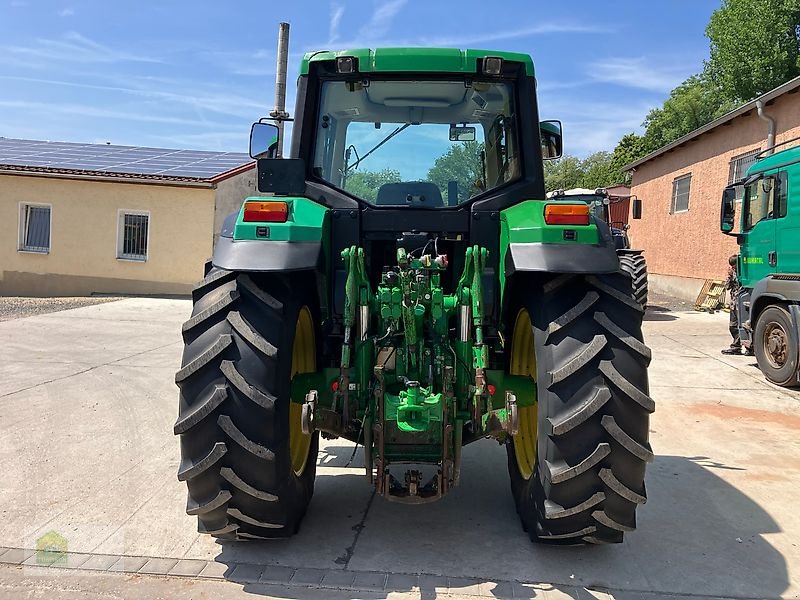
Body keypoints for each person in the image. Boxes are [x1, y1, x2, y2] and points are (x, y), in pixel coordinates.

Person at [722, 254, 747, 355]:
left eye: (734, 265)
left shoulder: (744, 273)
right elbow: (727, 287)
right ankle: (736, 346)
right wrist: (730, 276)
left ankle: (749, 348)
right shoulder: (733, 274)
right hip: (734, 303)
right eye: (732, 266)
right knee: (733, 326)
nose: (733, 267)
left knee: (744, 325)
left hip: (741, 303)